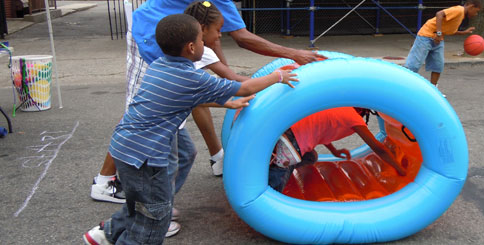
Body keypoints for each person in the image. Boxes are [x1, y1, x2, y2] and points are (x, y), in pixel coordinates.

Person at [83, 14, 298, 245]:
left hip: (125, 149)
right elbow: (244, 88)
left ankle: (106, 234)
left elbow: (187, 97)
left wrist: (227, 103)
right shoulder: (191, 77)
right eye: (202, 41)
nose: (205, 44)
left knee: (141, 205)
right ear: (191, 46)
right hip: (146, 159)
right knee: (153, 222)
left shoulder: (160, 65)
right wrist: (278, 76)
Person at [90, 0, 326, 205]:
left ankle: (159, 203)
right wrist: (278, 76)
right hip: (142, 146)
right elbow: (237, 79)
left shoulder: (176, 61)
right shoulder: (186, 74)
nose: (221, 35)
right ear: (198, 38)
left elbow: (215, 85)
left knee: (184, 155)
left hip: (139, 137)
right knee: (165, 169)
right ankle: (136, 202)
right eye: (218, 31)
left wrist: (227, 102)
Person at [268, 107, 407, 192]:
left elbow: (321, 128)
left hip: (287, 132)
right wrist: (399, 169)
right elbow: (378, 148)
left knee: (311, 157)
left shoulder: (339, 108)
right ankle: (268, 192)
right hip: (292, 143)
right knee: (277, 179)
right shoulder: (353, 117)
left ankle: (274, 162)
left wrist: (334, 151)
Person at [404, 0, 481, 93]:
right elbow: (439, 14)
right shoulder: (459, 10)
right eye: (476, 11)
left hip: (438, 39)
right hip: (426, 36)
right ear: (471, 6)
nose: (476, 14)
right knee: (413, 65)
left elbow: (450, 30)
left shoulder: (461, 16)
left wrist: (463, 32)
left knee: (438, 65)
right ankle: (402, 86)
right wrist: (439, 33)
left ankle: (433, 90)